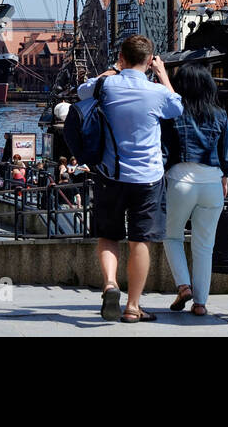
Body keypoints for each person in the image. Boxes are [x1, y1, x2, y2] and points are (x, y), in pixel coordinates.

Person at [77, 34, 183, 323]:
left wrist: (112, 71)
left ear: (121, 58)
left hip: (110, 174)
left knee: (108, 235)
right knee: (140, 241)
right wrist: (162, 75)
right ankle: (133, 307)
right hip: (148, 177)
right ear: (149, 61)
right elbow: (177, 107)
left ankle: (110, 283)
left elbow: (81, 91)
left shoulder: (106, 85)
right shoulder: (157, 92)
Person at [161, 64, 228, 317]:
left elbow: (165, 149)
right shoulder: (220, 114)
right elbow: (226, 154)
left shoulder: (175, 113)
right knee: (204, 246)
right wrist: (225, 178)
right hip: (212, 182)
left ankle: (183, 286)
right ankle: (200, 303)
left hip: (180, 179)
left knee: (172, 236)